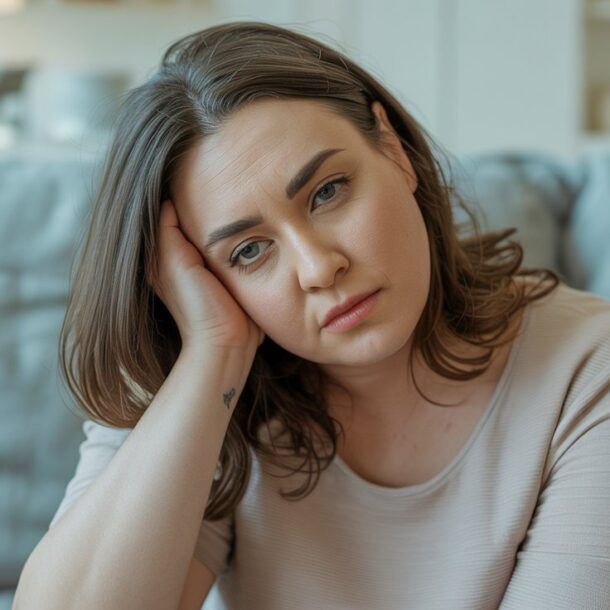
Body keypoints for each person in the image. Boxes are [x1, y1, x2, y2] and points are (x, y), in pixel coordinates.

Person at [13, 21, 610, 610]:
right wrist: (213, 355)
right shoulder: (199, 385)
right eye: (248, 251)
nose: (318, 268)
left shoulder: (586, 370)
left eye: (327, 191)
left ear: (394, 150)